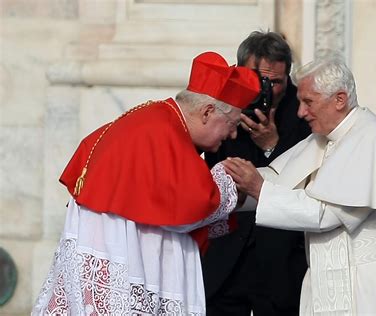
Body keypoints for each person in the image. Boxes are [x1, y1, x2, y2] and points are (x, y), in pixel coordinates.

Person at [31, 51, 260, 316]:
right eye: (231, 124)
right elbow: (193, 204)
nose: (232, 134)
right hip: (119, 262)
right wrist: (231, 182)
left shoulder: (158, 119)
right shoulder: (164, 133)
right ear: (208, 112)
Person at [222, 54, 376, 315]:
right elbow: (282, 181)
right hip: (322, 278)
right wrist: (235, 190)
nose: (301, 112)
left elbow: (326, 213)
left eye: (308, 102)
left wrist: (258, 189)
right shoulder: (323, 137)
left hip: (369, 286)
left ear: (339, 99)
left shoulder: (373, 137)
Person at [202, 31, 311, 316]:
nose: (267, 89)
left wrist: (272, 146)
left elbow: (306, 181)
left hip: (280, 260)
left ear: (288, 78)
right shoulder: (219, 107)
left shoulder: (304, 112)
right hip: (225, 257)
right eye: (258, 79)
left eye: (276, 81)